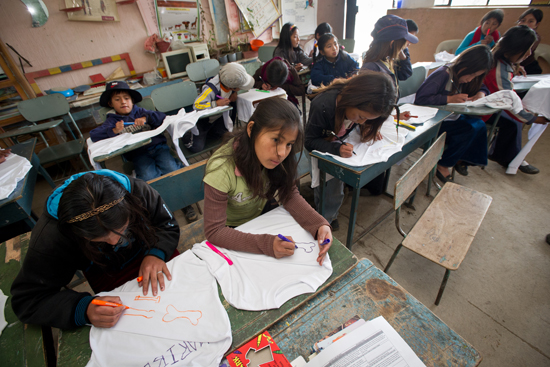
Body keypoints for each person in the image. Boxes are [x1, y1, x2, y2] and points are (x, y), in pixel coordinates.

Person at [10, 170, 180, 329]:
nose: (114, 242)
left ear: (129, 207)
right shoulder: (51, 236)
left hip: (152, 251)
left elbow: (167, 225)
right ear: (77, 233)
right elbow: (27, 300)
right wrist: (83, 309)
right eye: (100, 240)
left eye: (122, 230)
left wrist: (157, 252)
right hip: (106, 272)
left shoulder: (136, 192)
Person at [203, 98, 332, 266]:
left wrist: (319, 224)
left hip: (263, 216)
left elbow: (289, 194)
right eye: (276, 140)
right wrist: (266, 244)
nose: (281, 153)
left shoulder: (279, 158)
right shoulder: (221, 169)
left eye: (289, 144)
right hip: (231, 228)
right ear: (251, 129)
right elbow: (214, 231)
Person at [90, 81, 197, 222]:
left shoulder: (141, 112)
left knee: (171, 169)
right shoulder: (112, 121)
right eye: (117, 99)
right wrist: (114, 130)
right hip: (138, 155)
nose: (123, 102)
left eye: (126, 98)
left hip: (159, 149)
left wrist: (147, 119)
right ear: (110, 104)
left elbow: (162, 118)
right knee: (148, 176)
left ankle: (185, 203)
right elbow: (94, 135)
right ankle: (163, 206)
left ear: (132, 100)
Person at [304, 72, 397, 230]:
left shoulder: (357, 108)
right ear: (352, 100)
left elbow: (357, 120)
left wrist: (367, 127)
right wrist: (337, 148)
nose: (362, 121)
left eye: (368, 119)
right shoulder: (323, 105)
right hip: (319, 147)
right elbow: (309, 141)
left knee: (333, 189)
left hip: (337, 140)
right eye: (361, 117)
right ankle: (324, 220)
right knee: (328, 188)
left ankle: (327, 211)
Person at [415, 45, 493, 181]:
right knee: (470, 128)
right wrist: (448, 99)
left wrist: (481, 93)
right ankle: (444, 164)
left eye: (476, 76)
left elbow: (482, 86)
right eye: (472, 74)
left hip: (451, 117)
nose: (471, 79)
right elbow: (421, 98)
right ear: (464, 65)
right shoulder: (443, 74)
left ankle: (461, 159)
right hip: (434, 122)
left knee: (479, 125)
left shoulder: (464, 76)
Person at [484, 25, 549, 174]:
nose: (529, 53)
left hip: (493, 102)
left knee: (515, 120)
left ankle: (506, 156)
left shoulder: (501, 60)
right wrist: (532, 119)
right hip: (484, 108)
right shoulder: (498, 69)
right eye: (526, 49)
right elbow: (511, 102)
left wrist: (514, 65)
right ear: (513, 48)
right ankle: (508, 157)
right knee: (515, 120)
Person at [189, 62, 254, 152]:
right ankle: (188, 134)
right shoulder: (210, 89)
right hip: (203, 122)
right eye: (239, 88)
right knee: (197, 148)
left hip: (218, 120)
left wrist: (234, 93)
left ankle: (208, 135)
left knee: (225, 137)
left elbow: (233, 91)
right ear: (231, 87)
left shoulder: (228, 83)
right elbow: (197, 105)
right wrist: (215, 104)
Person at [361, 14, 417, 118]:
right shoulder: (371, 68)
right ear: (392, 43)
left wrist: (395, 117)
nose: (405, 46)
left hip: (383, 121)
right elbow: (366, 112)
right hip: (374, 128)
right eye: (403, 43)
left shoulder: (387, 61)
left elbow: (405, 73)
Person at [517, 8, 544, 75]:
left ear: (537, 24)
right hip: (514, 64)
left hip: (528, 67)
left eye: (530, 21)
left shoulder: (535, 37)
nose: (525, 24)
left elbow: (522, 53)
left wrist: (514, 66)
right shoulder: (513, 34)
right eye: (523, 20)